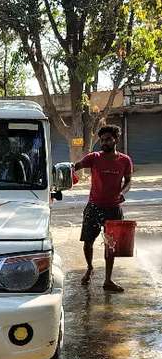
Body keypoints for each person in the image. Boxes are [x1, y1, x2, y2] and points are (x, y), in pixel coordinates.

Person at [73, 122, 133, 293]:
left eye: (108, 139)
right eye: (102, 140)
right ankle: (90, 268)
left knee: (111, 245)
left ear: (116, 140)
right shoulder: (94, 158)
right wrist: (66, 172)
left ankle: (108, 280)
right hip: (94, 207)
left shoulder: (125, 160)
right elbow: (75, 166)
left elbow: (128, 181)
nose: (104, 143)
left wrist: (123, 192)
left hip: (113, 209)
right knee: (87, 243)